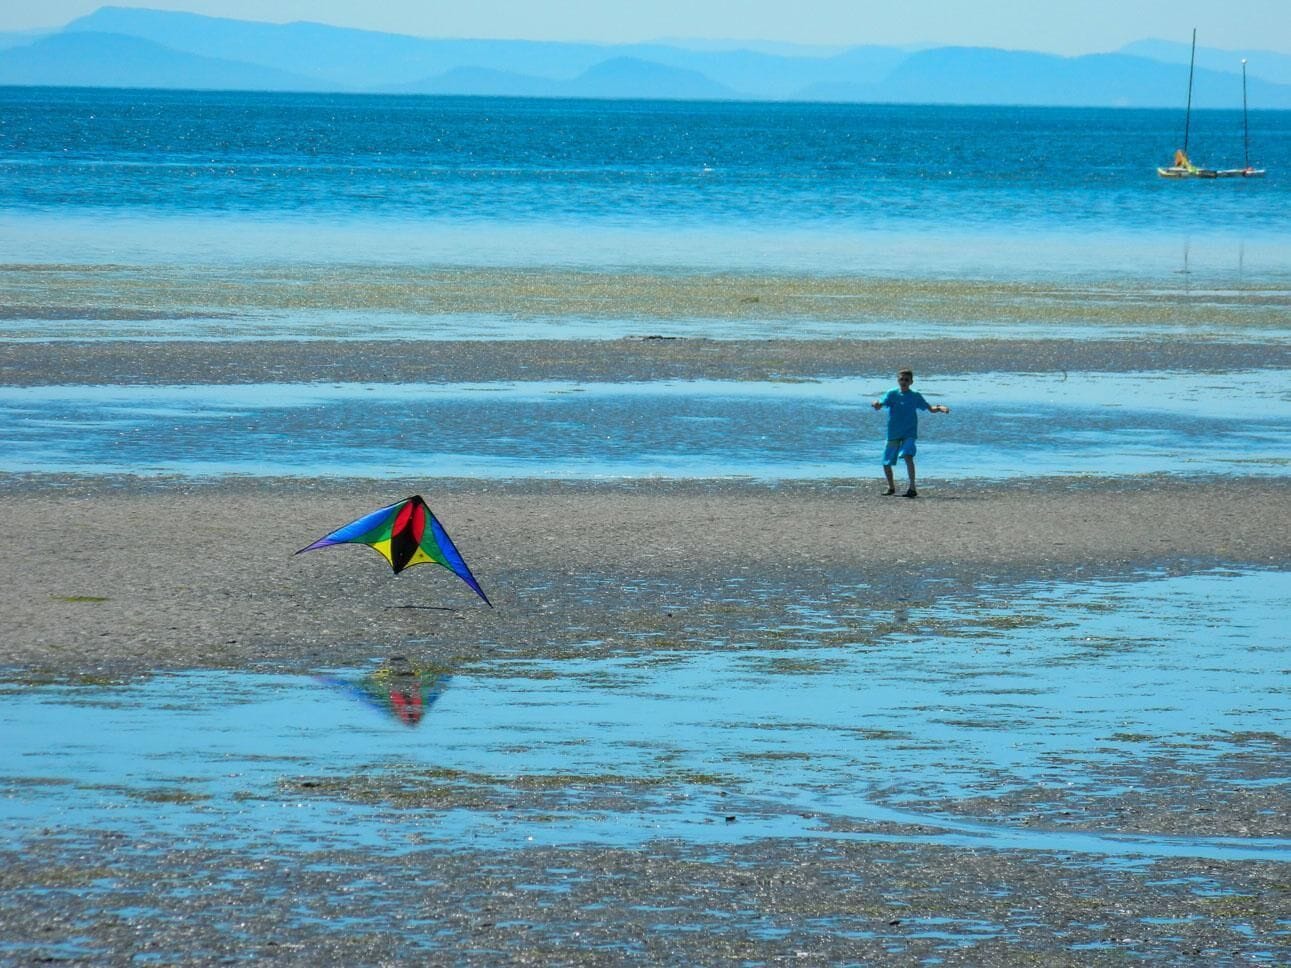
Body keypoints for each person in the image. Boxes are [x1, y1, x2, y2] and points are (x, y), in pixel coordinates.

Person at [871, 369, 950, 498]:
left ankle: (912, 488)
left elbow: (929, 408)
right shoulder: (892, 394)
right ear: (898, 380)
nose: (904, 382)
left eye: (906, 380)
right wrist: (875, 404)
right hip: (893, 432)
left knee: (908, 456)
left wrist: (940, 408)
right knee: (887, 462)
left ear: (911, 382)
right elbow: (880, 404)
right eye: (901, 379)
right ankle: (891, 487)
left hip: (909, 432)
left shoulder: (915, 396)